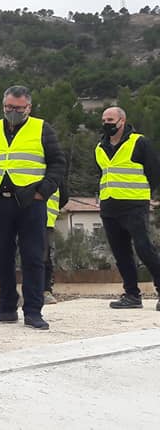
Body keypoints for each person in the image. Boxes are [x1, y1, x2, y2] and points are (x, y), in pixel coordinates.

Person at [0, 85, 65, 330]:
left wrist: (42, 192)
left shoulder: (42, 128)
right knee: (2, 257)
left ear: (28, 107)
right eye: (8, 107)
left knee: (33, 257)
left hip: (30, 203)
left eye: (18, 108)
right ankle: (6, 307)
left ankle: (33, 310)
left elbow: (57, 164)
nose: (12, 111)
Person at [95, 106, 160, 311]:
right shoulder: (99, 147)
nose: (107, 123)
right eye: (104, 120)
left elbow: (154, 172)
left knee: (144, 249)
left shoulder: (139, 142)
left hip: (134, 205)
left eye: (111, 120)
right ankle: (132, 294)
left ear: (122, 121)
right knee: (121, 253)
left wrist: (148, 196)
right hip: (109, 207)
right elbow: (102, 175)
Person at [43, 188, 64, 305]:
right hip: (28, 218)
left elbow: (64, 196)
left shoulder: (54, 174)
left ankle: (45, 290)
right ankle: (41, 291)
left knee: (43, 257)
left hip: (46, 220)